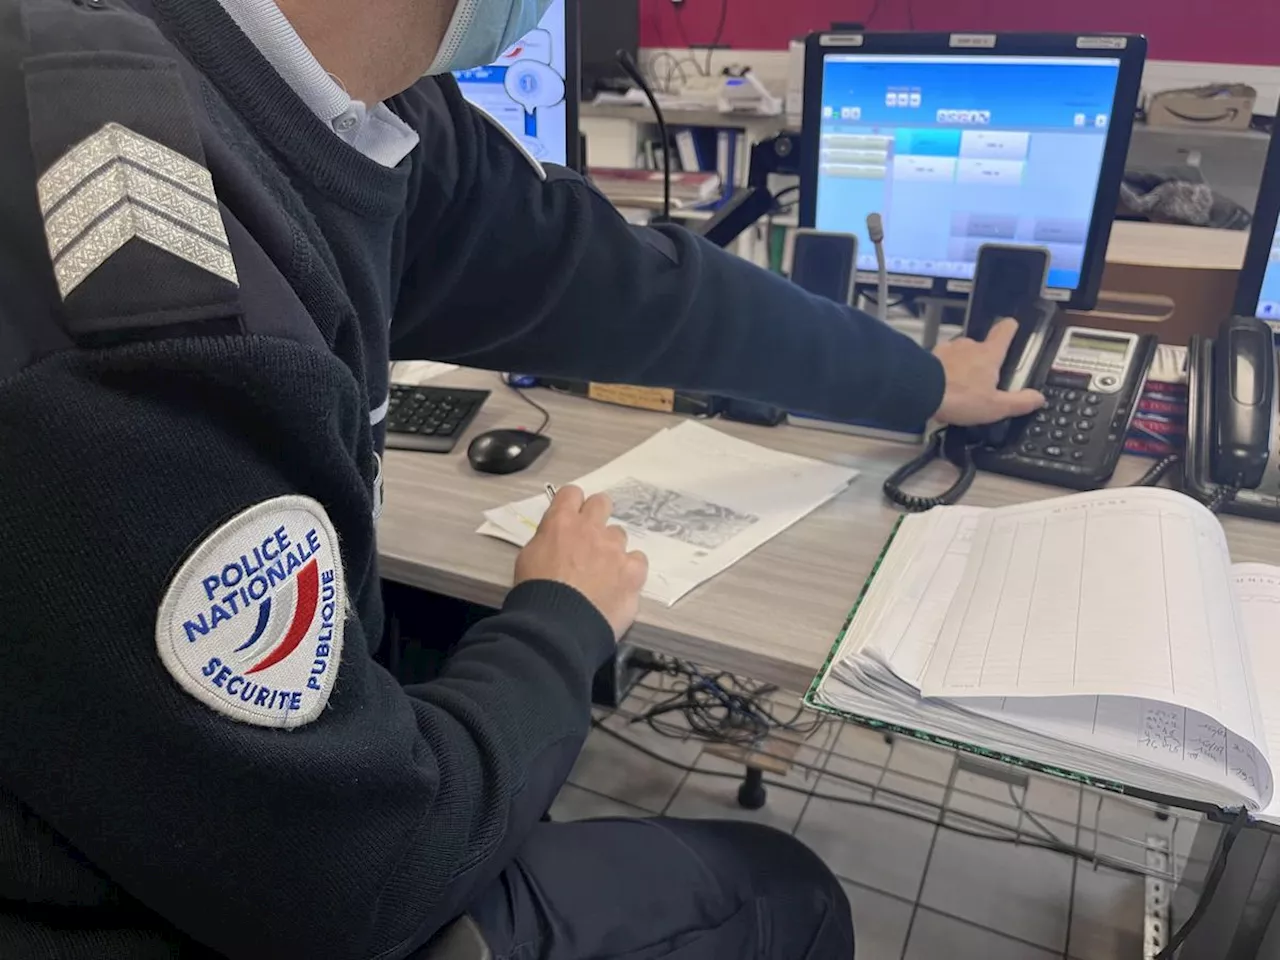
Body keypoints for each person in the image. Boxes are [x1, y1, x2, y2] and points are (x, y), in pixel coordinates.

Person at [0, 0, 1044, 956]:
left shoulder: (350, 107)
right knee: (780, 893)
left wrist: (910, 379)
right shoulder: (127, 247)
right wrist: (561, 623)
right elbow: (354, 881)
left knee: (445, 642)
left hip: (195, 807)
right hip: (166, 910)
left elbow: (621, 287)